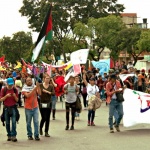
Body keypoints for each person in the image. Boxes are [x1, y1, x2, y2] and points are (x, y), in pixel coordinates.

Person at [22, 76, 41, 141]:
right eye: (28, 80)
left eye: (30, 80)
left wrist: (38, 86)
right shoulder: (24, 88)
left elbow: (40, 93)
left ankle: (36, 135)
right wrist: (35, 88)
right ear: (26, 82)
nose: (29, 81)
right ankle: (29, 135)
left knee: (36, 122)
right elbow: (28, 95)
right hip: (28, 108)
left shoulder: (34, 86)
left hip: (35, 107)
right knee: (28, 122)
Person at [0, 78, 18, 142]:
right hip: (6, 108)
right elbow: (1, 99)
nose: (11, 86)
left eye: (12, 84)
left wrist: (15, 96)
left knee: (13, 122)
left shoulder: (15, 90)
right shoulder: (3, 90)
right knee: (7, 123)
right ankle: (9, 135)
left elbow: (17, 100)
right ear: (7, 83)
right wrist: (6, 96)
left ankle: (14, 135)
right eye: (9, 84)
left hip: (13, 107)